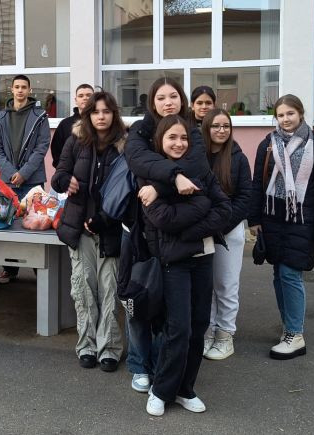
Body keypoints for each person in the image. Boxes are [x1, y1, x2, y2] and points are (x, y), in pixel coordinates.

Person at [136, 114, 230, 416]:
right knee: (178, 328)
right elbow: (164, 219)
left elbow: (224, 209)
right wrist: (202, 204)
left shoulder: (200, 171)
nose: (179, 143)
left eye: (184, 138)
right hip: (174, 263)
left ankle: (185, 389)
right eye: (172, 138)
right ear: (159, 141)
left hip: (203, 257)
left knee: (199, 326)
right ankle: (161, 390)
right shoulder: (150, 176)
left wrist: (189, 231)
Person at [122, 76, 211, 394]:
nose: (168, 102)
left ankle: (162, 367)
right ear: (152, 102)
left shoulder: (191, 131)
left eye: (173, 96)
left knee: (170, 309)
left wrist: (159, 185)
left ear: (182, 100)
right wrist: (174, 177)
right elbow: (139, 161)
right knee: (139, 298)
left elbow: (196, 166)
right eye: (161, 97)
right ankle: (139, 364)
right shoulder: (139, 131)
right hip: (139, 229)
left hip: (175, 233)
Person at [248, 94, 314, 360]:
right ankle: (289, 327)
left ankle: (295, 335)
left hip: (301, 220)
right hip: (273, 218)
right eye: (280, 115)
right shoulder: (268, 145)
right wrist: (254, 219)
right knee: (278, 274)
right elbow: (257, 183)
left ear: (300, 114)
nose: (285, 119)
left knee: (290, 274)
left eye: (290, 113)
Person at [51, 91, 126, 372]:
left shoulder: (126, 144)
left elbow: (128, 189)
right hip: (79, 227)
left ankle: (110, 349)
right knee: (83, 289)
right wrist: (64, 180)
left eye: (106, 111)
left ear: (113, 114)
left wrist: (106, 219)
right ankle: (87, 346)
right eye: (96, 112)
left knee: (109, 290)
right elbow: (58, 174)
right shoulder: (76, 140)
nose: (101, 117)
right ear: (88, 115)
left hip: (111, 228)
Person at [0, 74, 51, 284]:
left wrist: (24, 173)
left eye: (24, 87)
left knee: (36, 225)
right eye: (17, 87)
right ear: (12, 90)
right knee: (7, 225)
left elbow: (42, 146)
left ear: (29, 90)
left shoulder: (40, 116)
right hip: (8, 181)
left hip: (32, 180)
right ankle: (9, 269)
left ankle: (39, 270)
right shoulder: (0, 118)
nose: (20, 90)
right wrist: (10, 172)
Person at [200, 108, 252, 360]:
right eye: (216, 126)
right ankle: (208, 332)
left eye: (226, 126)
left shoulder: (238, 158)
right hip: (202, 230)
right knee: (206, 285)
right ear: (206, 128)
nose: (221, 130)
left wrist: (220, 226)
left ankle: (225, 335)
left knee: (226, 285)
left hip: (228, 231)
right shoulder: (198, 156)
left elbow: (245, 198)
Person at [50, 84, 94, 165]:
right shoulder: (65, 124)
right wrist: (65, 170)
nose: (85, 98)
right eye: (81, 96)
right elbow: (56, 152)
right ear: (76, 100)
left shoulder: (101, 123)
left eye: (89, 95)